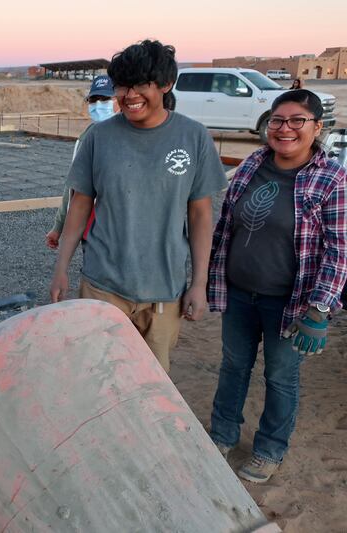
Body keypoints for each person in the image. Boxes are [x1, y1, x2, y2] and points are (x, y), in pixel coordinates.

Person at [49, 40, 227, 372]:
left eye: (141, 84)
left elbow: (201, 215)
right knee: (99, 375)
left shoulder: (193, 137)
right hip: (103, 286)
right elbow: (80, 205)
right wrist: (61, 267)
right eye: (123, 85)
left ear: (166, 84)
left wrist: (199, 283)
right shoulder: (98, 138)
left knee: (150, 382)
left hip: (164, 290)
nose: (129, 95)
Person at [207, 89, 347, 483]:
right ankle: (222, 434)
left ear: (317, 127)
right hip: (239, 292)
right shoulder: (254, 164)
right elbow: (226, 226)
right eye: (277, 120)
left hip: (291, 302)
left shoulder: (332, 179)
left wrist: (319, 310)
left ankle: (270, 448)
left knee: (280, 376)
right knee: (234, 366)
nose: (285, 129)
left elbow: (339, 250)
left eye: (296, 121)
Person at [45, 75, 119, 249]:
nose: (99, 105)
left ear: (119, 100)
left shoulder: (131, 137)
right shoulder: (87, 137)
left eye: (105, 99)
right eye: (94, 100)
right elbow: (73, 186)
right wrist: (59, 226)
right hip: (92, 230)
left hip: (121, 231)